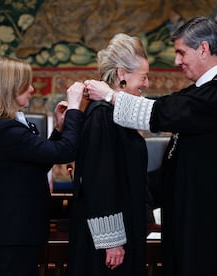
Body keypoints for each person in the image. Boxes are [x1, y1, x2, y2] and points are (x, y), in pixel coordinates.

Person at [86, 16, 217, 276]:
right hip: (188, 215)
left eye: (182, 52)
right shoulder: (204, 91)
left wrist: (109, 95)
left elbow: (163, 112)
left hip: (202, 221)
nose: (177, 61)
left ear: (203, 49)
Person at [0, 56, 84, 276]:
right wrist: (73, 110)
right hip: (14, 234)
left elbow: (37, 165)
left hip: (18, 232)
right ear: (10, 88)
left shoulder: (7, 127)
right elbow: (66, 151)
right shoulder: (6, 130)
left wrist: (59, 130)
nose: (33, 89)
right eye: (26, 84)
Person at [67, 33, 149, 276]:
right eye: (143, 77)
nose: (146, 84)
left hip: (123, 228)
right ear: (122, 74)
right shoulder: (102, 115)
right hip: (106, 242)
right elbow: (99, 181)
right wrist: (112, 241)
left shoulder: (115, 112)